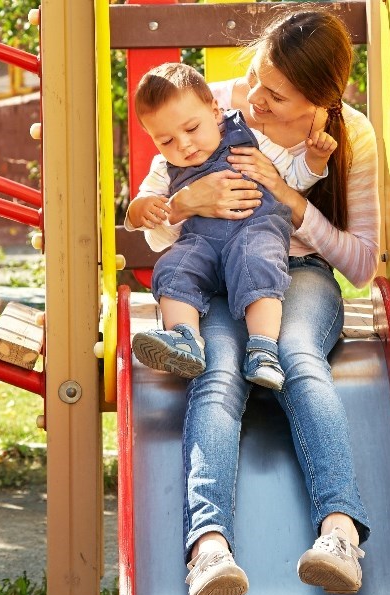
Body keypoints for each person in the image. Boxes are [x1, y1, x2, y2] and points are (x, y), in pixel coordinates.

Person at [126, 10, 379, 595]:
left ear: (320, 99)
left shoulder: (352, 139)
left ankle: (341, 534)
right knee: (214, 371)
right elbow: (157, 225)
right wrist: (187, 201)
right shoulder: (205, 107)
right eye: (256, 79)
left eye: (276, 93)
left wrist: (292, 202)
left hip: (302, 275)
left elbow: (363, 264)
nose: (254, 98)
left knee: (296, 356)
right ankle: (208, 547)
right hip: (217, 275)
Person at [126, 62, 337, 392]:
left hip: (255, 228)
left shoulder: (250, 140)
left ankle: (263, 349)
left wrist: (315, 161)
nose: (183, 145)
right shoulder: (164, 169)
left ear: (214, 111)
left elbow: (293, 176)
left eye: (192, 128)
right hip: (202, 242)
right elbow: (145, 202)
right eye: (166, 140)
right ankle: (185, 339)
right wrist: (141, 209)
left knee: (257, 260)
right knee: (173, 268)